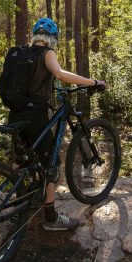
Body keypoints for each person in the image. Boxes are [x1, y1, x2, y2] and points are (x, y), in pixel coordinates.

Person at [8, 18, 105, 231]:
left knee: (21, 160)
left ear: (35, 35)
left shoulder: (20, 53)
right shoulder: (47, 53)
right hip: (35, 118)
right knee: (51, 165)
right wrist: (93, 82)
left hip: (14, 116)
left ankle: (20, 202)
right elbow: (60, 74)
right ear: (52, 38)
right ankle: (51, 217)